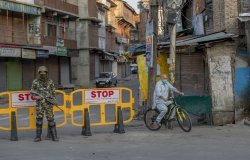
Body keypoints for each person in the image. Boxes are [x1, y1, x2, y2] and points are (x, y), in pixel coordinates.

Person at [31, 66, 59, 142]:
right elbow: (32, 93)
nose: (43, 74)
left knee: (51, 120)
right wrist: (36, 97)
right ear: (39, 73)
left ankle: (54, 137)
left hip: (48, 104)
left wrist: (53, 100)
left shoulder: (50, 81)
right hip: (39, 104)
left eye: (44, 73)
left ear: (47, 73)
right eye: (41, 73)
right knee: (39, 121)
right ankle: (38, 137)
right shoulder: (35, 82)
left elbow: (53, 93)